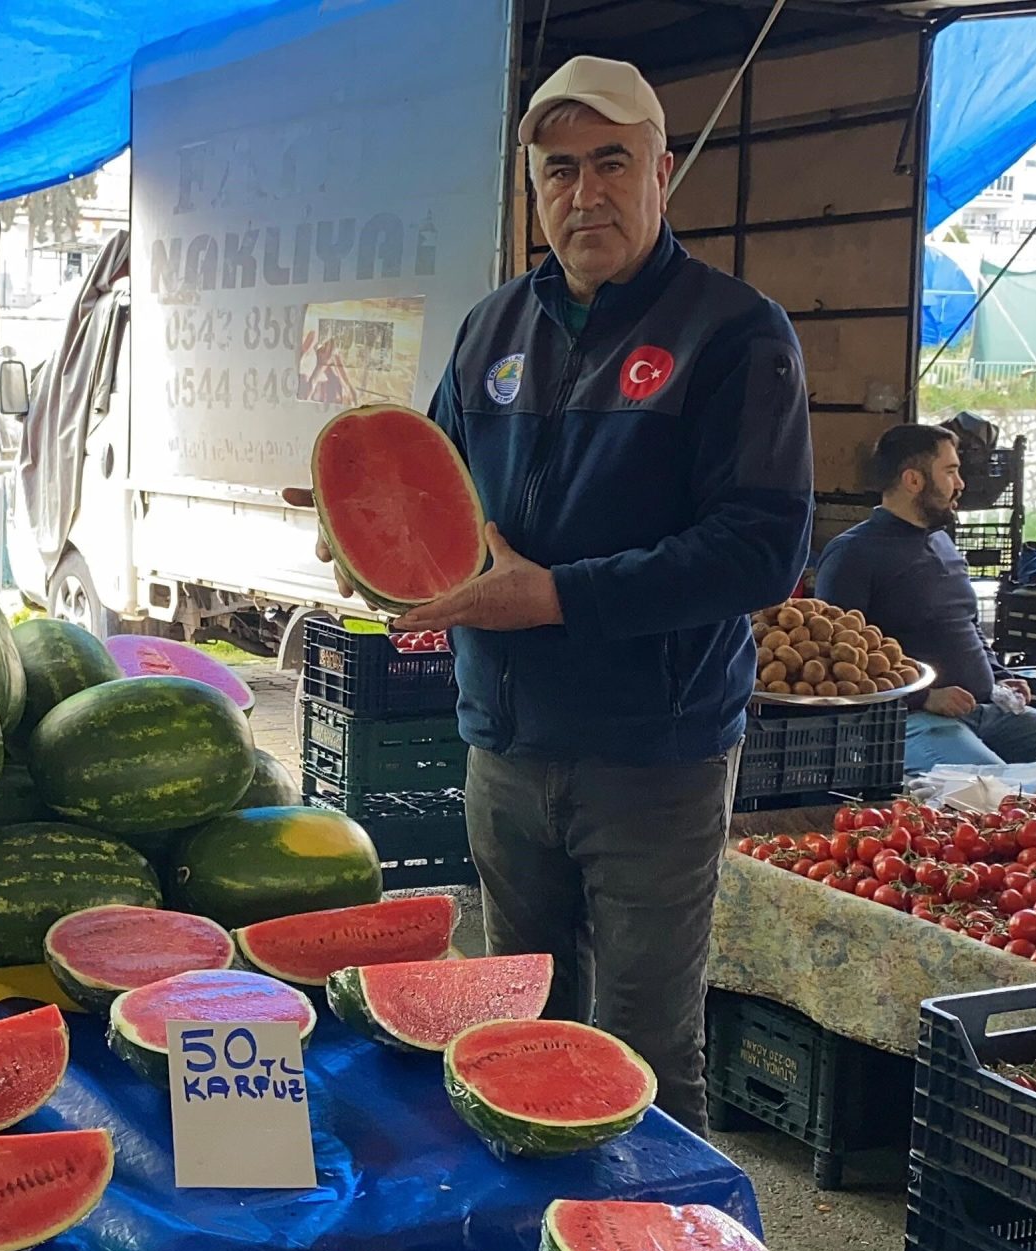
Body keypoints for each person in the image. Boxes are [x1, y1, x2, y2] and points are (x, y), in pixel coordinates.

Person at [291, 56, 814, 1133]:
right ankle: (544, 1232)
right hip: (504, 744)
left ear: (662, 171)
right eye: (559, 171)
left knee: (645, 1048)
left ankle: (668, 1238)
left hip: (653, 756)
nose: (585, 194)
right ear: (534, 189)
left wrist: (557, 597)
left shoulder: (734, 332)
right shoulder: (491, 329)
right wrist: (366, 539)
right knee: (521, 1034)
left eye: (611, 163)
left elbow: (761, 551)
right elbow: (431, 502)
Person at [813, 424, 1036, 774]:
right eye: (950, 471)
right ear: (913, 480)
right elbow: (835, 661)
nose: (960, 483)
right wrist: (924, 697)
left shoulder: (942, 541)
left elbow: (967, 624)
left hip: (987, 710)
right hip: (909, 721)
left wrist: (999, 676)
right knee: (1001, 792)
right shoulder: (852, 554)